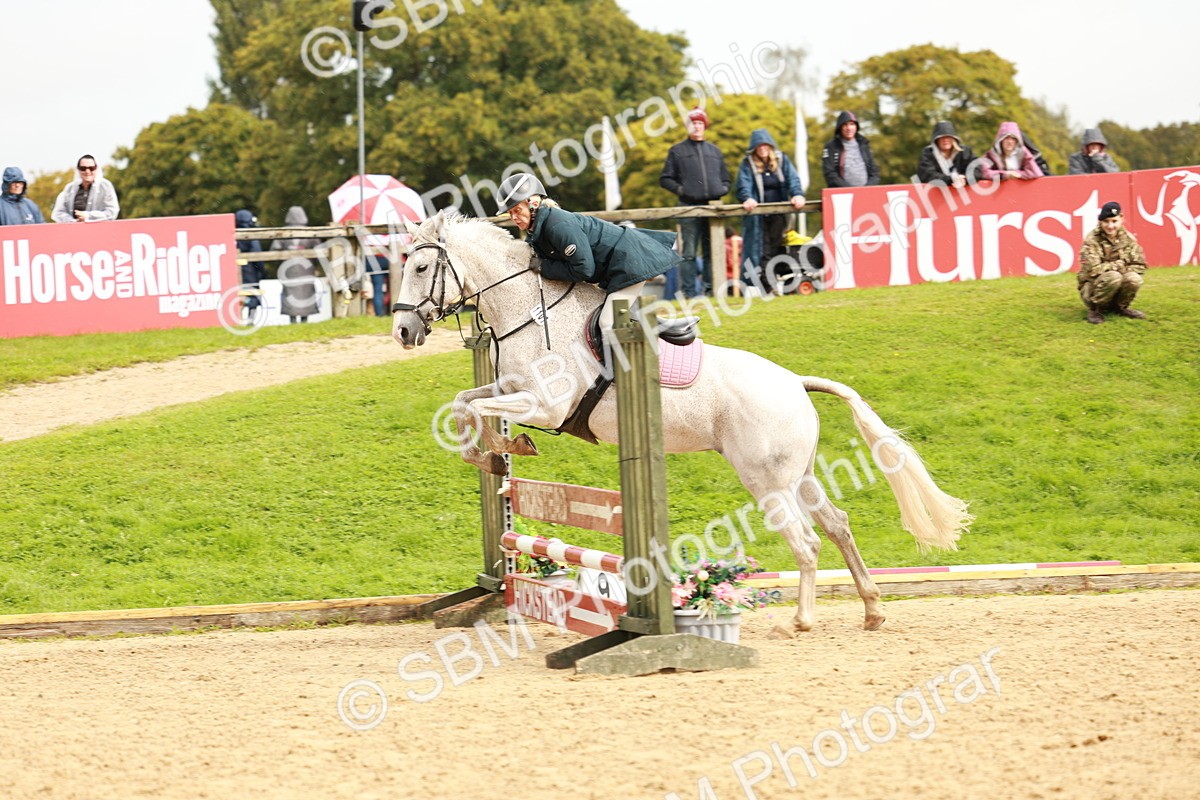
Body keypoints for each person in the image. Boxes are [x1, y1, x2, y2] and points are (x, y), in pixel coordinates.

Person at [496, 172, 691, 337]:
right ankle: (673, 330)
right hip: (616, 267)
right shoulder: (537, 232)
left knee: (607, 323)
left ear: (533, 204)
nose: (514, 218)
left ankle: (620, 372)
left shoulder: (558, 225)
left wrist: (543, 267)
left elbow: (584, 270)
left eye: (517, 210)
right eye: (510, 213)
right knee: (623, 315)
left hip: (629, 262)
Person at [659, 106, 731, 297]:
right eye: (693, 123)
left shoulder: (715, 151)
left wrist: (722, 190)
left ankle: (711, 291)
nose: (696, 126)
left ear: (704, 126)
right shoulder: (677, 150)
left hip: (713, 208)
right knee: (689, 253)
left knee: (712, 252)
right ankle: (689, 293)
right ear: (688, 126)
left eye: (700, 123)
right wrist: (682, 191)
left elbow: (726, 178)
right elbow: (665, 179)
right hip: (688, 208)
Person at [735, 128, 806, 289]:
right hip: (758, 216)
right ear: (754, 148)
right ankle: (767, 286)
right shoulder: (748, 164)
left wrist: (797, 194)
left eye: (765, 145)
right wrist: (747, 198)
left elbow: (793, 179)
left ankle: (771, 283)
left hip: (779, 215)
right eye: (759, 146)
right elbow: (743, 185)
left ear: (770, 146)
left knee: (775, 247)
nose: (762, 149)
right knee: (762, 250)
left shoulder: (781, 160)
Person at [1077, 201, 1147, 324]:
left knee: (1134, 278)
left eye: (1114, 221)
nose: (1110, 226)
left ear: (1121, 219)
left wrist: (1121, 271)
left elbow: (1140, 265)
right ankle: (1095, 310)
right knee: (1114, 276)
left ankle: (1120, 307)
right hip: (1092, 288)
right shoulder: (1092, 239)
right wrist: (1119, 265)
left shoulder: (1128, 239)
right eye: (1106, 221)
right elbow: (1093, 270)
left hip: (1115, 282)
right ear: (1100, 222)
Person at [270, 206, 321, 323]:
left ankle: (292, 319)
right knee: (306, 293)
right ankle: (305, 319)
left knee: (290, 294)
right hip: (306, 269)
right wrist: (315, 265)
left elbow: (274, 250)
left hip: (288, 269)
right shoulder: (309, 232)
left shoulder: (282, 232)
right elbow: (318, 251)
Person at [50, 155, 120, 223]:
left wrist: (88, 216)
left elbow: (112, 212)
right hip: (73, 229)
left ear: (96, 169)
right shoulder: (69, 188)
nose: (87, 171)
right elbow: (58, 213)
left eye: (91, 168)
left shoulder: (105, 186)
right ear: (78, 169)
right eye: (83, 168)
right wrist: (73, 221)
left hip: (99, 229)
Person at [821, 111, 881, 188]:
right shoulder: (831, 146)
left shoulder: (864, 145)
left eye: (852, 124)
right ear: (840, 127)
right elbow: (830, 174)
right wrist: (850, 190)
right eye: (845, 125)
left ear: (856, 127)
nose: (849, 128)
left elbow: (874, 172)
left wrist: (866, 189)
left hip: (866, 192)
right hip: (842, 193)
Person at [916, 121, 980, 188]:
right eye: (942, 137)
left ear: (953, 138)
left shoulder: (965, 152)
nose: (945, 140)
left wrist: (965, 179)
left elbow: (977, 170)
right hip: (936, 193)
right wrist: (951, 179)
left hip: (964, 193)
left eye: (948, 136)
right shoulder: (928, 154)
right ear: (936, 140)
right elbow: (927, 175)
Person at [979, 122, 1044, 182]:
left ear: (1017, 141)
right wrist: (1005, 174)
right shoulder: (991, 155)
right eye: (1006, 138)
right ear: (1001, 140)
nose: (1010, 141)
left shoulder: (1023, 153)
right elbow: (983, 172)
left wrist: (1017, 174)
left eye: (1013, 138)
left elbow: (1035, 172)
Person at [235, 209, 267, 320]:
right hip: (251, 271)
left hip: (234, 271)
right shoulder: (251, 235)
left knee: (238, 294)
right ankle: (250, 320)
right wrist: (262, 271)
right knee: (252, 295)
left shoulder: (231, 234)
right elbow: (257, 255)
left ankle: (238, 319)